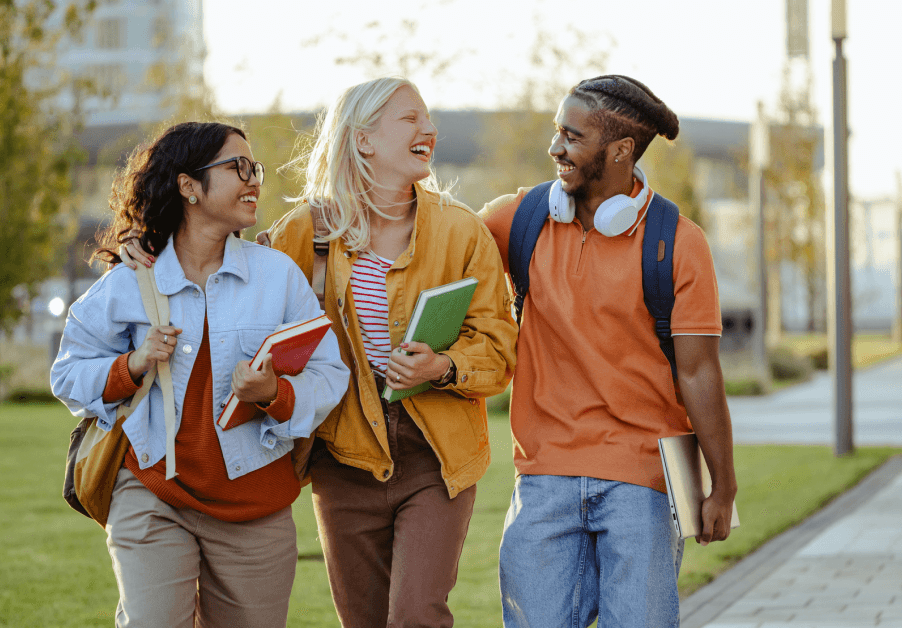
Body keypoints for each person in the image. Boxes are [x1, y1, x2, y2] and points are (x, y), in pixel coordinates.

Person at [50, 121, 350, 628]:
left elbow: (328, 372)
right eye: (238, 168)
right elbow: (68, 373)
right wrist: (131, 365)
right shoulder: (130, 281)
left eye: (254, 169)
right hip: (152, 492)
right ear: (189, 186)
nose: (253, 180)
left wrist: (275, 392)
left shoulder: (276, 276)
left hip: (256, 505)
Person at [480, 75, 738, 627]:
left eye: (571, 137)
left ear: (620, 150)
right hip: (543, 476)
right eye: (557, 133)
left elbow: (699, 373)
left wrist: (723, 484)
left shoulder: (676, 241)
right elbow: (438, 244)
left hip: (641, 481)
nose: (555, 149)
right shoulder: (519, 219)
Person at [261, 77, 518, 628]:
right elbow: (241, 299)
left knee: (415, 615)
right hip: (343, 454)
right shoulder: (306, 233)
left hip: (435, 454)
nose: (429, 129)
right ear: (362, 139)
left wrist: (442, 366)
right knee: (364, 620)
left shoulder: (461, 232)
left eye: (428, 119)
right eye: (410, 119)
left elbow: (498, 347)